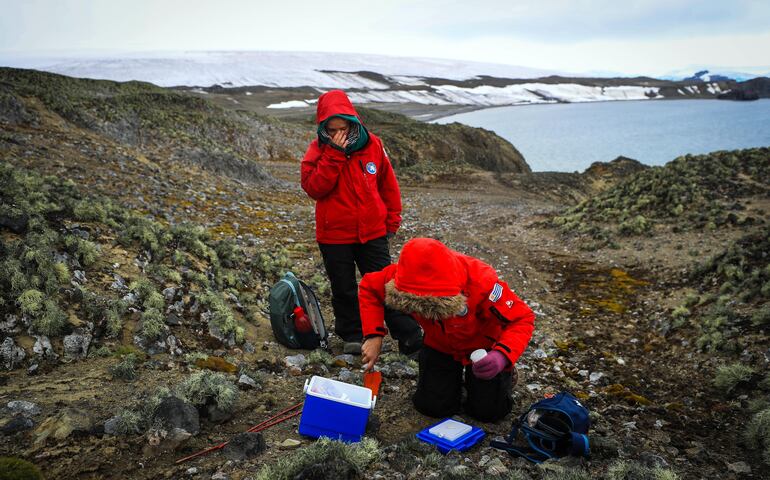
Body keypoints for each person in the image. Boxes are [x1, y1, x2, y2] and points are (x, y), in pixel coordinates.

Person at [359, 237, 535, 422]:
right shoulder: (403, 276)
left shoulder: (483, 283)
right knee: (432, 407)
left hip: (484, 348)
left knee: (489, 413)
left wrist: (502, 356)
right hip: (440, 344)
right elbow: (369, 287)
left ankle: (506, 375)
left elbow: (522, 318)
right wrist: (373, 335)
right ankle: (454, 381)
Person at [300, 89, 422, 355]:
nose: (337, 135)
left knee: (386, 285)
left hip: (372, 232)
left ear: (352, 121)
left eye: (342, 128)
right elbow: (314, 188)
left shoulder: (373, 145)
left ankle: (409, 336)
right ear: (323, 127)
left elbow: (388, 184)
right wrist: (333, 155)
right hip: (334, 235)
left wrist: (392, 220)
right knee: (343, 288)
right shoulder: (317, 150)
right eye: (331, 130)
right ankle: (353, 335)